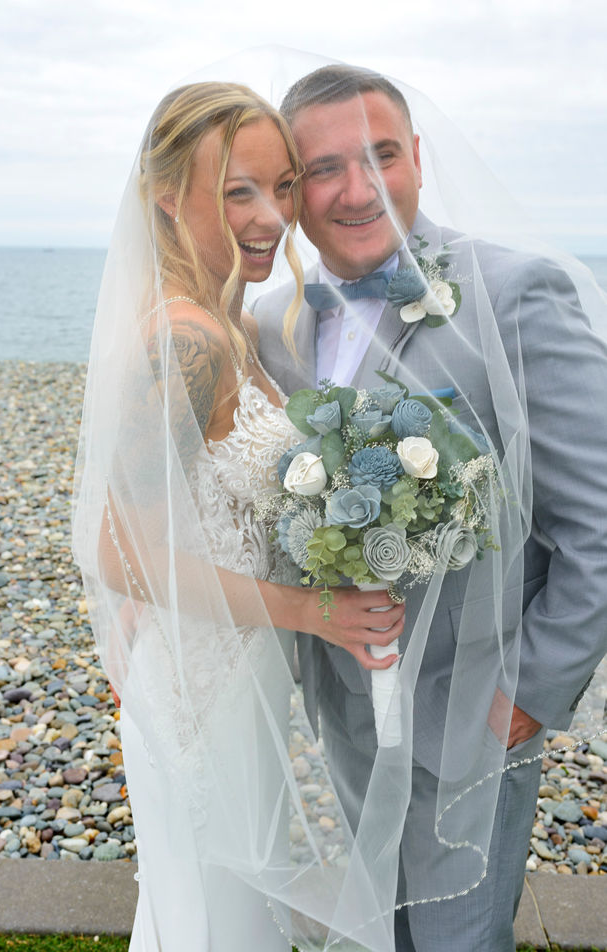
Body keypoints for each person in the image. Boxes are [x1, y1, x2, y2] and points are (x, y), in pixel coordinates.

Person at [253, 63, 607, 951]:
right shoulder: (273, 326)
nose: (356, 189)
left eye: (379, 156)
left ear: (416, 157)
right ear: (293, 192)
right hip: (341, 704)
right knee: (382, 931)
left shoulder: (515, 293)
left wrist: (532, 691)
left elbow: (598, 517)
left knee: (458, 939)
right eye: (324, 168)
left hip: (474, 713)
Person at [72, 79, 408, 952]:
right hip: (197, 691)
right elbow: (119, 554)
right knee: (209, 916)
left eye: (282, 185)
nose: (272, 217)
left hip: (236, 666)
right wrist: (311, 611)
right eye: (238, 192)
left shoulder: (229, 324)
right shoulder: (181, 342)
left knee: (224, 910)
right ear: (166, 199)